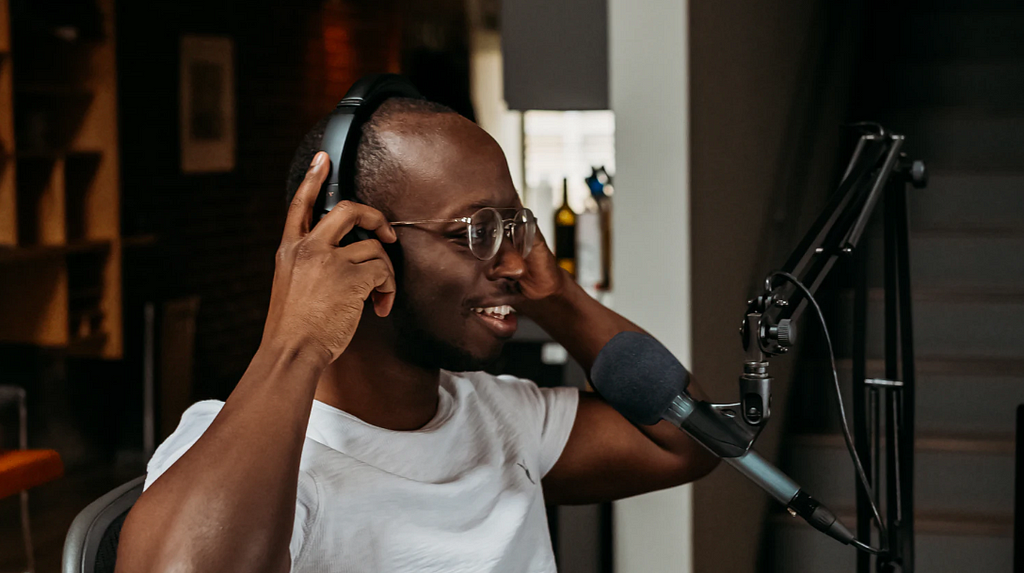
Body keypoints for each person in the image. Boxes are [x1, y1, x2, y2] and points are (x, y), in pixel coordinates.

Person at [115, 97, 719, 573]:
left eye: (514, 226)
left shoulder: (501, 416)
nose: (512, 261)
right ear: (359, 244)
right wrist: (295, 342)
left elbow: (689, 441)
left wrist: (558, 295)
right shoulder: (249, 450)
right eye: (474, 232)